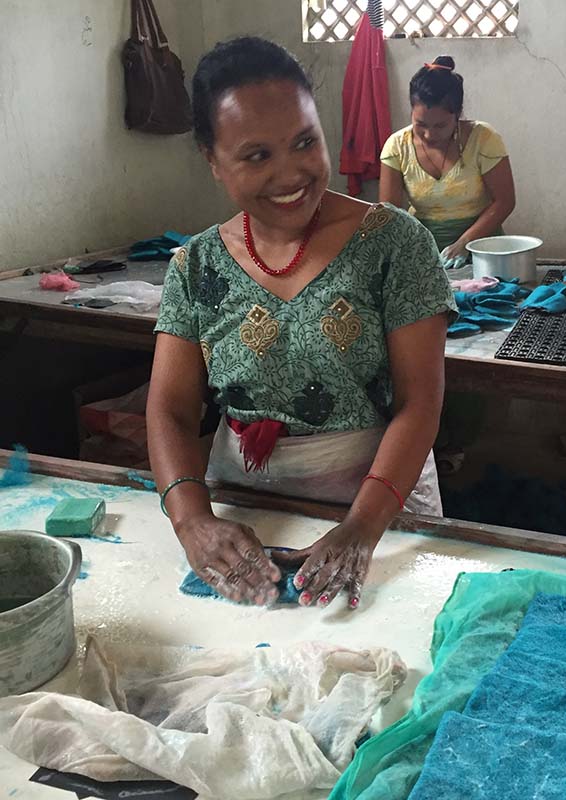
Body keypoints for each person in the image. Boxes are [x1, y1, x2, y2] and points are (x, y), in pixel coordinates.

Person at [146, 37, 456, 610]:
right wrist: (192, 522)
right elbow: (170, 408)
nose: (291, 174)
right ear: (213, 162)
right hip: (241, 510)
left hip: (379, 510)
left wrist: (360, 530)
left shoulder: (395, 244)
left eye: (304, 143)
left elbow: (420, 405)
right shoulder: (195, 267)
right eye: (256, 155)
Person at [379, 56, 516, 269]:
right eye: (420, 124)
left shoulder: (484, 139)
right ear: (411, 112)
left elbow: (504, 202)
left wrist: (464, 243)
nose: (428, 134)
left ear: (458, 115)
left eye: (440, 125)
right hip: (421, 249)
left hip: (481, 249)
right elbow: (391, 215)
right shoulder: (397, 146)